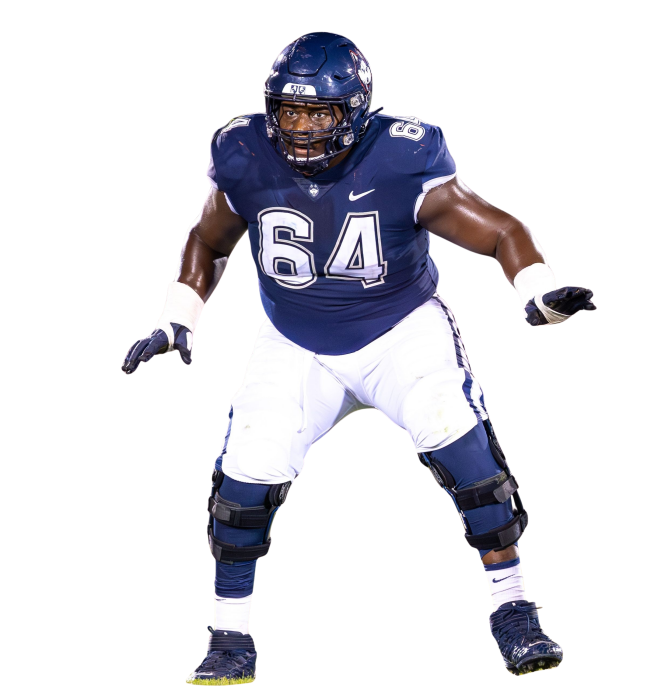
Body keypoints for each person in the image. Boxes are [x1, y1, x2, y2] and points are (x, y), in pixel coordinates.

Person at [122, 31, 595, 684]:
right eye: (290, 111)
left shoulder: (401, 155)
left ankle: (513, 610)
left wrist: (536, 293)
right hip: (295, 339)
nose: (301, 129)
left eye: (318, 113)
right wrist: (177, 317)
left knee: (471, 462)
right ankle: (229, 637)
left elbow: (499, 231)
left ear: (357, 111)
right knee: (242, 485)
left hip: (399, 331)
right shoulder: (242, 150)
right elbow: (208, 239)